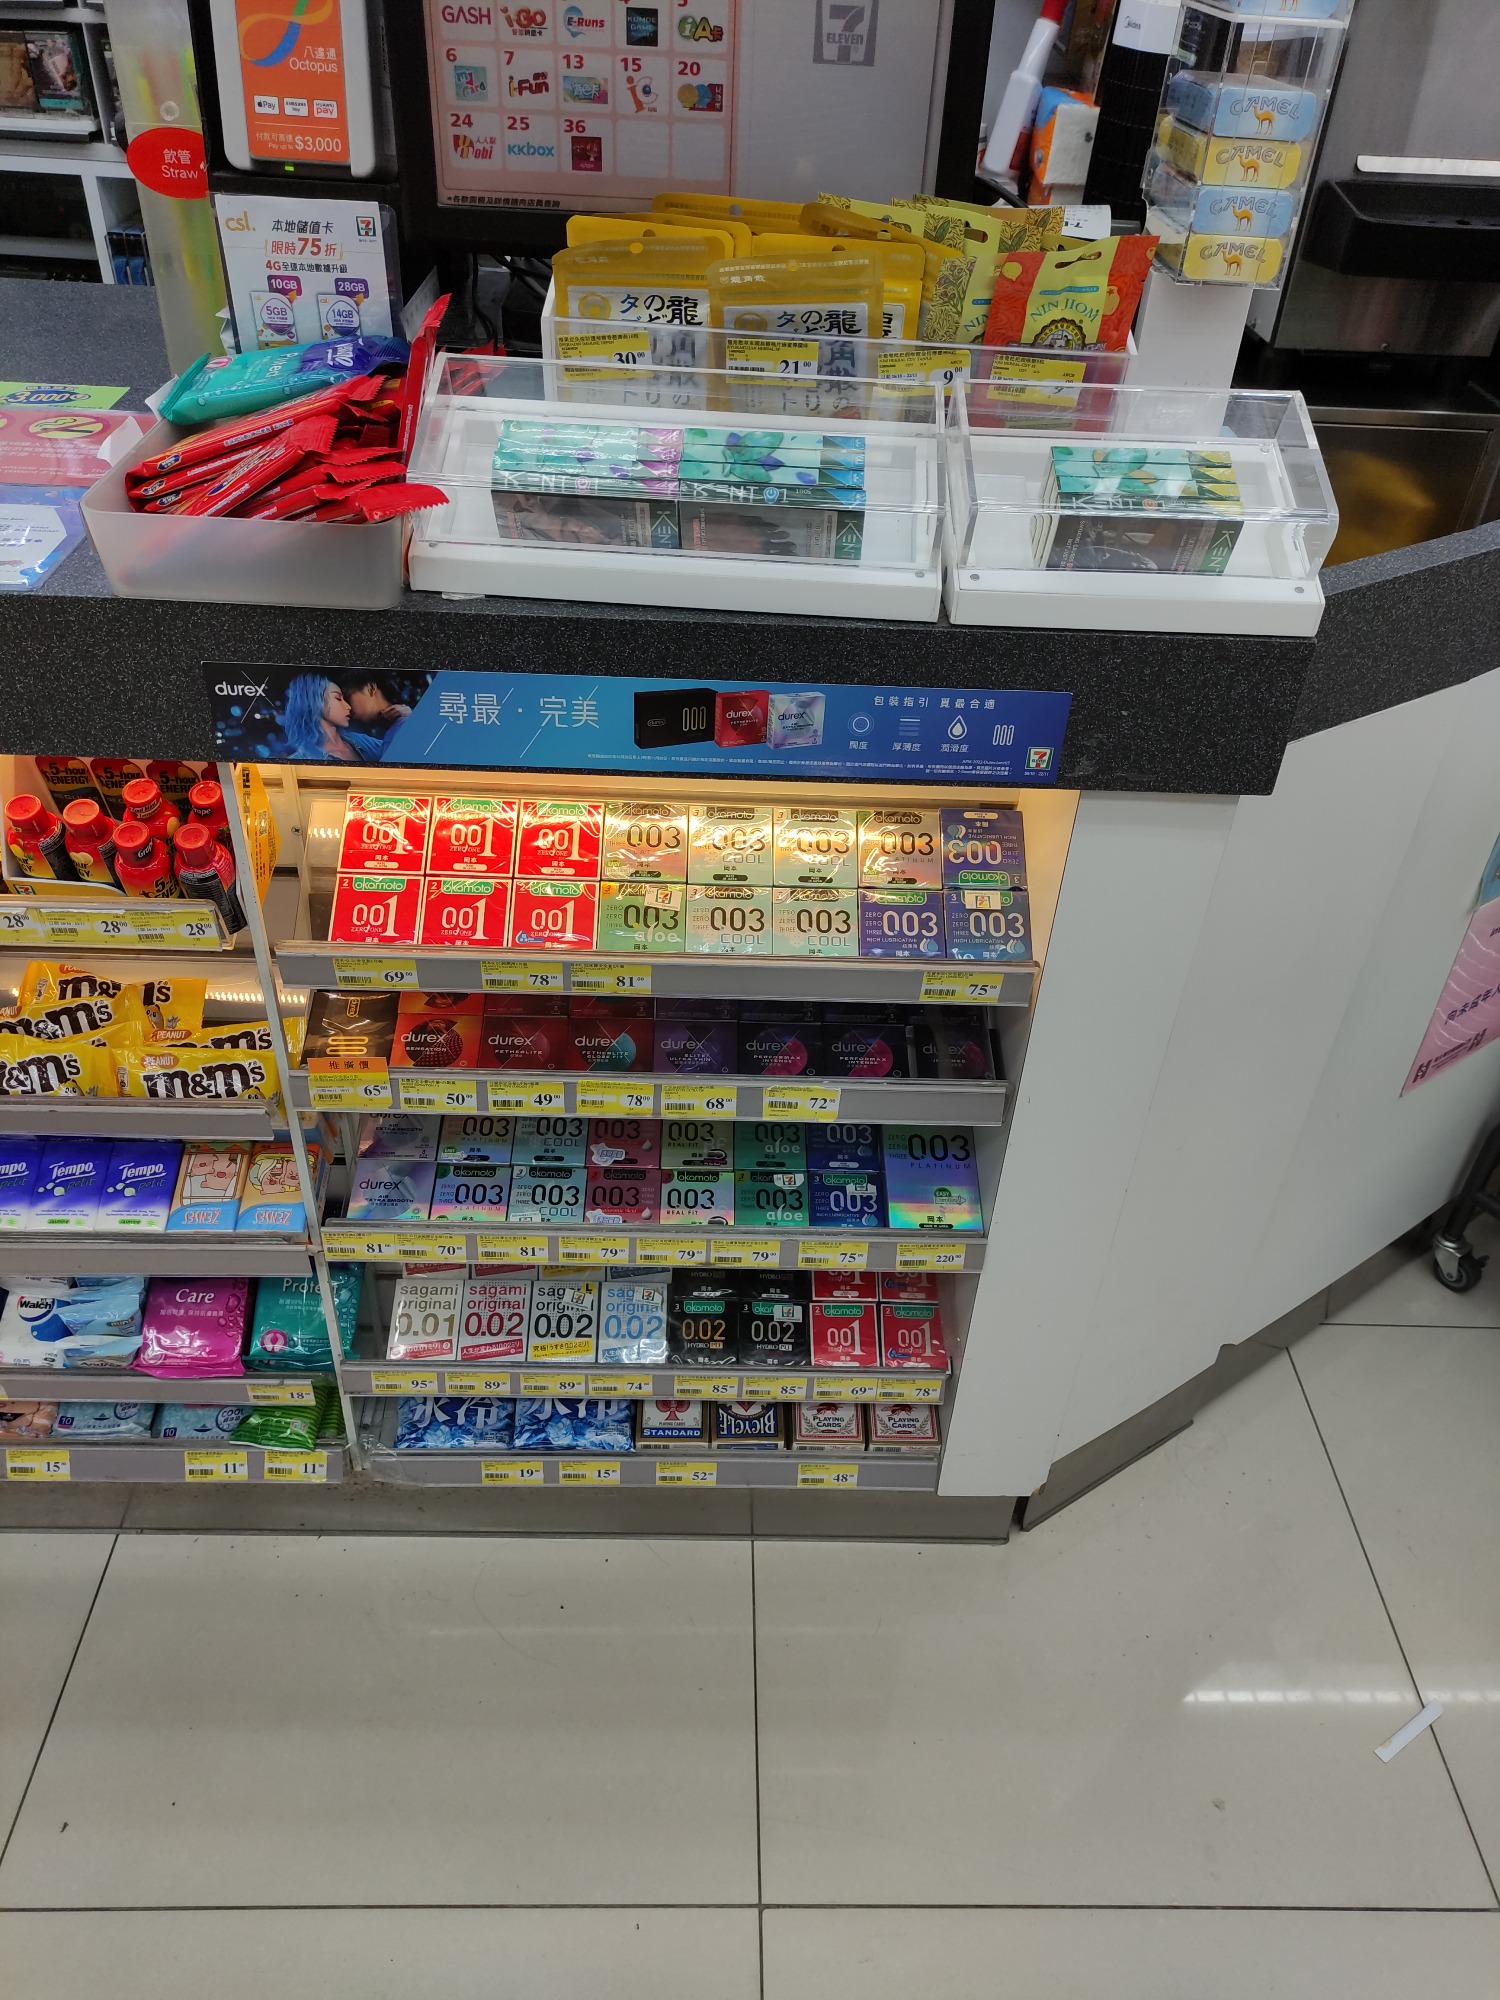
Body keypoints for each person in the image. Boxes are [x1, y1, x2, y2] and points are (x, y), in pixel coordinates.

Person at [278, 673, 384, 763]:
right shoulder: (298, 761)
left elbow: (393, 750)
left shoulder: (360, 740)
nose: (348, 706)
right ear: (315, 702)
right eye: (338, 698)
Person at [337, 672, 413, 744]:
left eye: (347, 698)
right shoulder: (373, 738)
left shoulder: (405, 724)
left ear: (371, 688)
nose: (345, 706)